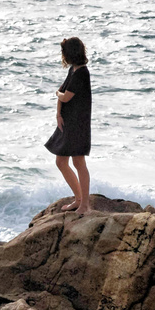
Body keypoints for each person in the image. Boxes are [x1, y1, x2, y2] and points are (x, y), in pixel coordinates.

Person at [45, 36, 92, 214]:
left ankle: (85, 205)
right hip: (67, 122)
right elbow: (62, 92)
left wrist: (57, 93)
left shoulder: (82, 73)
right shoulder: (73, 70)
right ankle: (79, 199)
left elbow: (65, 96)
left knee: (79, 161)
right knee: (61, 161)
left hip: (78, 123)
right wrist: (58, 113)